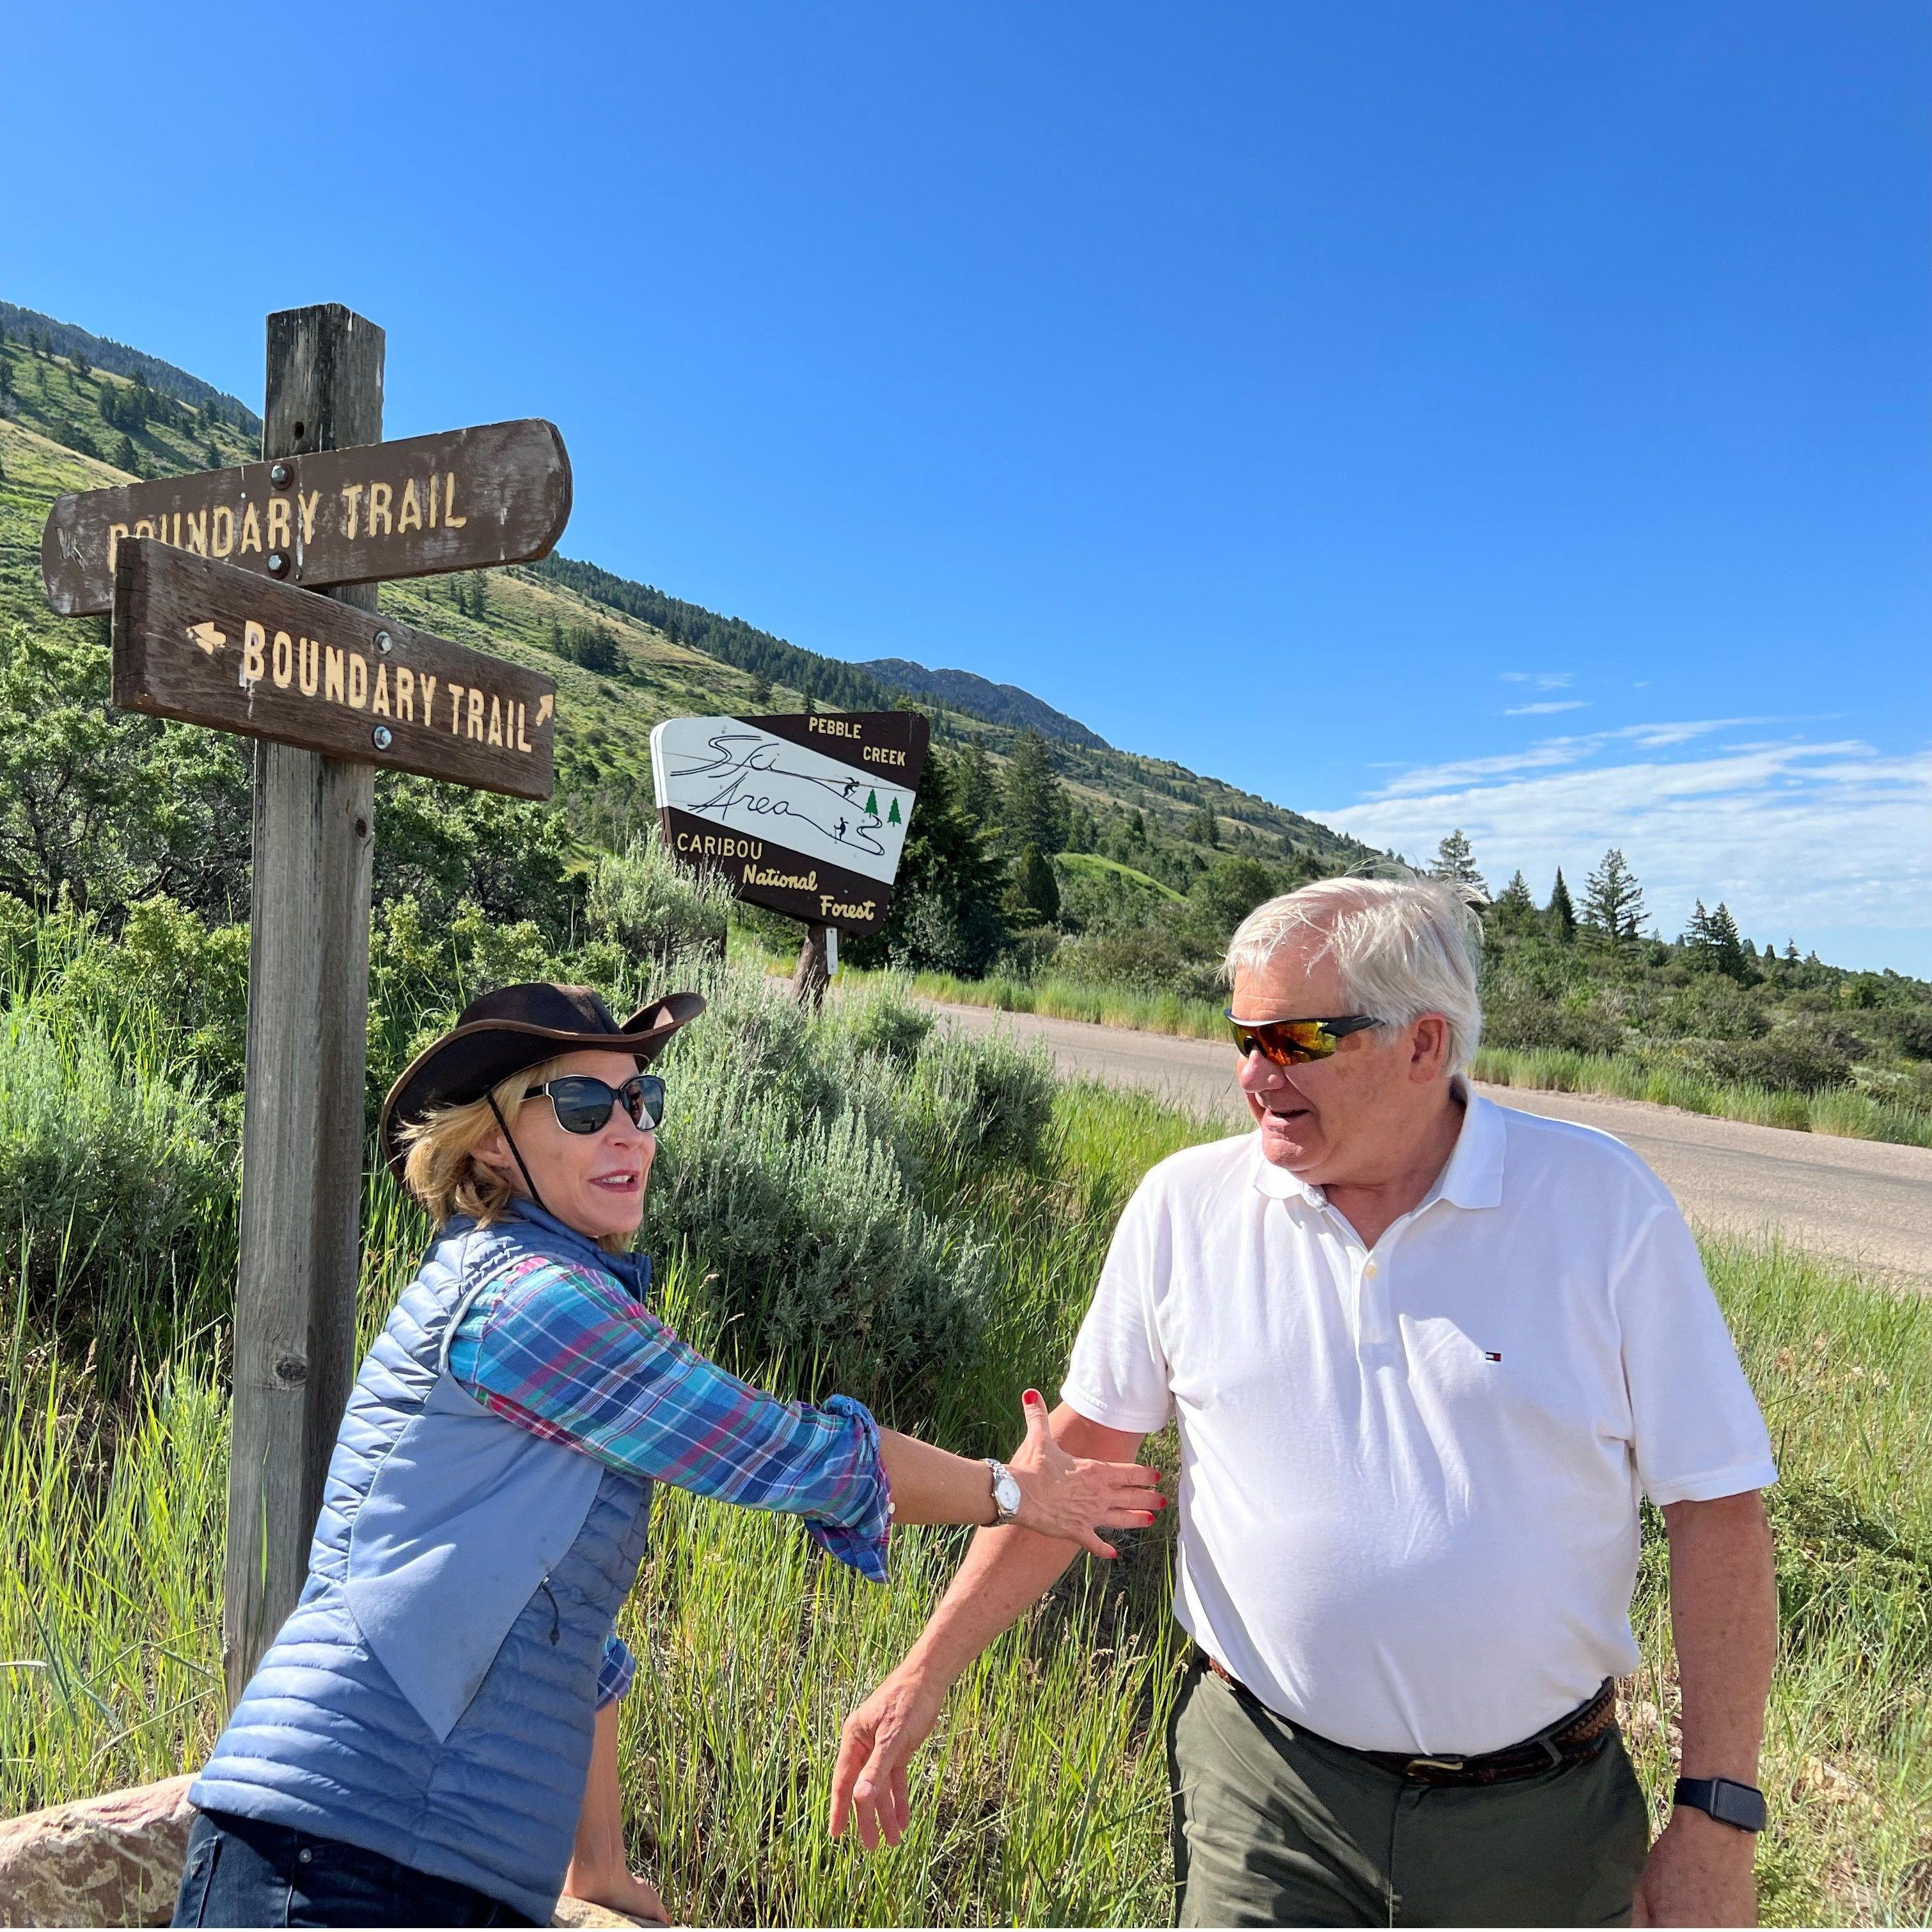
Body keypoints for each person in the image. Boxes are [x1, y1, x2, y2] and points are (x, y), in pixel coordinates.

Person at [831, 877, 1779, 1928]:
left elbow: (1718, 1510)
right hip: (1264, 1789)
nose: (1251, 1075)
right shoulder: (1184, 1209)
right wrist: (921, 1676)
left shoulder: (1600, 1205)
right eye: (1241, 1036)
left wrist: (1715, 1814)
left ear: (1425, 1044)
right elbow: (1072, 1475)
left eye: (1295, 1039)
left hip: (1534, 1823)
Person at [172, 981, 1162, 1929]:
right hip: (337, 1856)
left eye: (639, 1100)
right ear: (494, 1142)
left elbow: (569, 1634)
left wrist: (593, 1863)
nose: (627, 1129)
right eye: (580, 1102)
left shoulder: (558, 1294)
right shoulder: (523, 1301)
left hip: (423, 1864)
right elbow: (780, 1449)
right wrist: (1003, 1488)